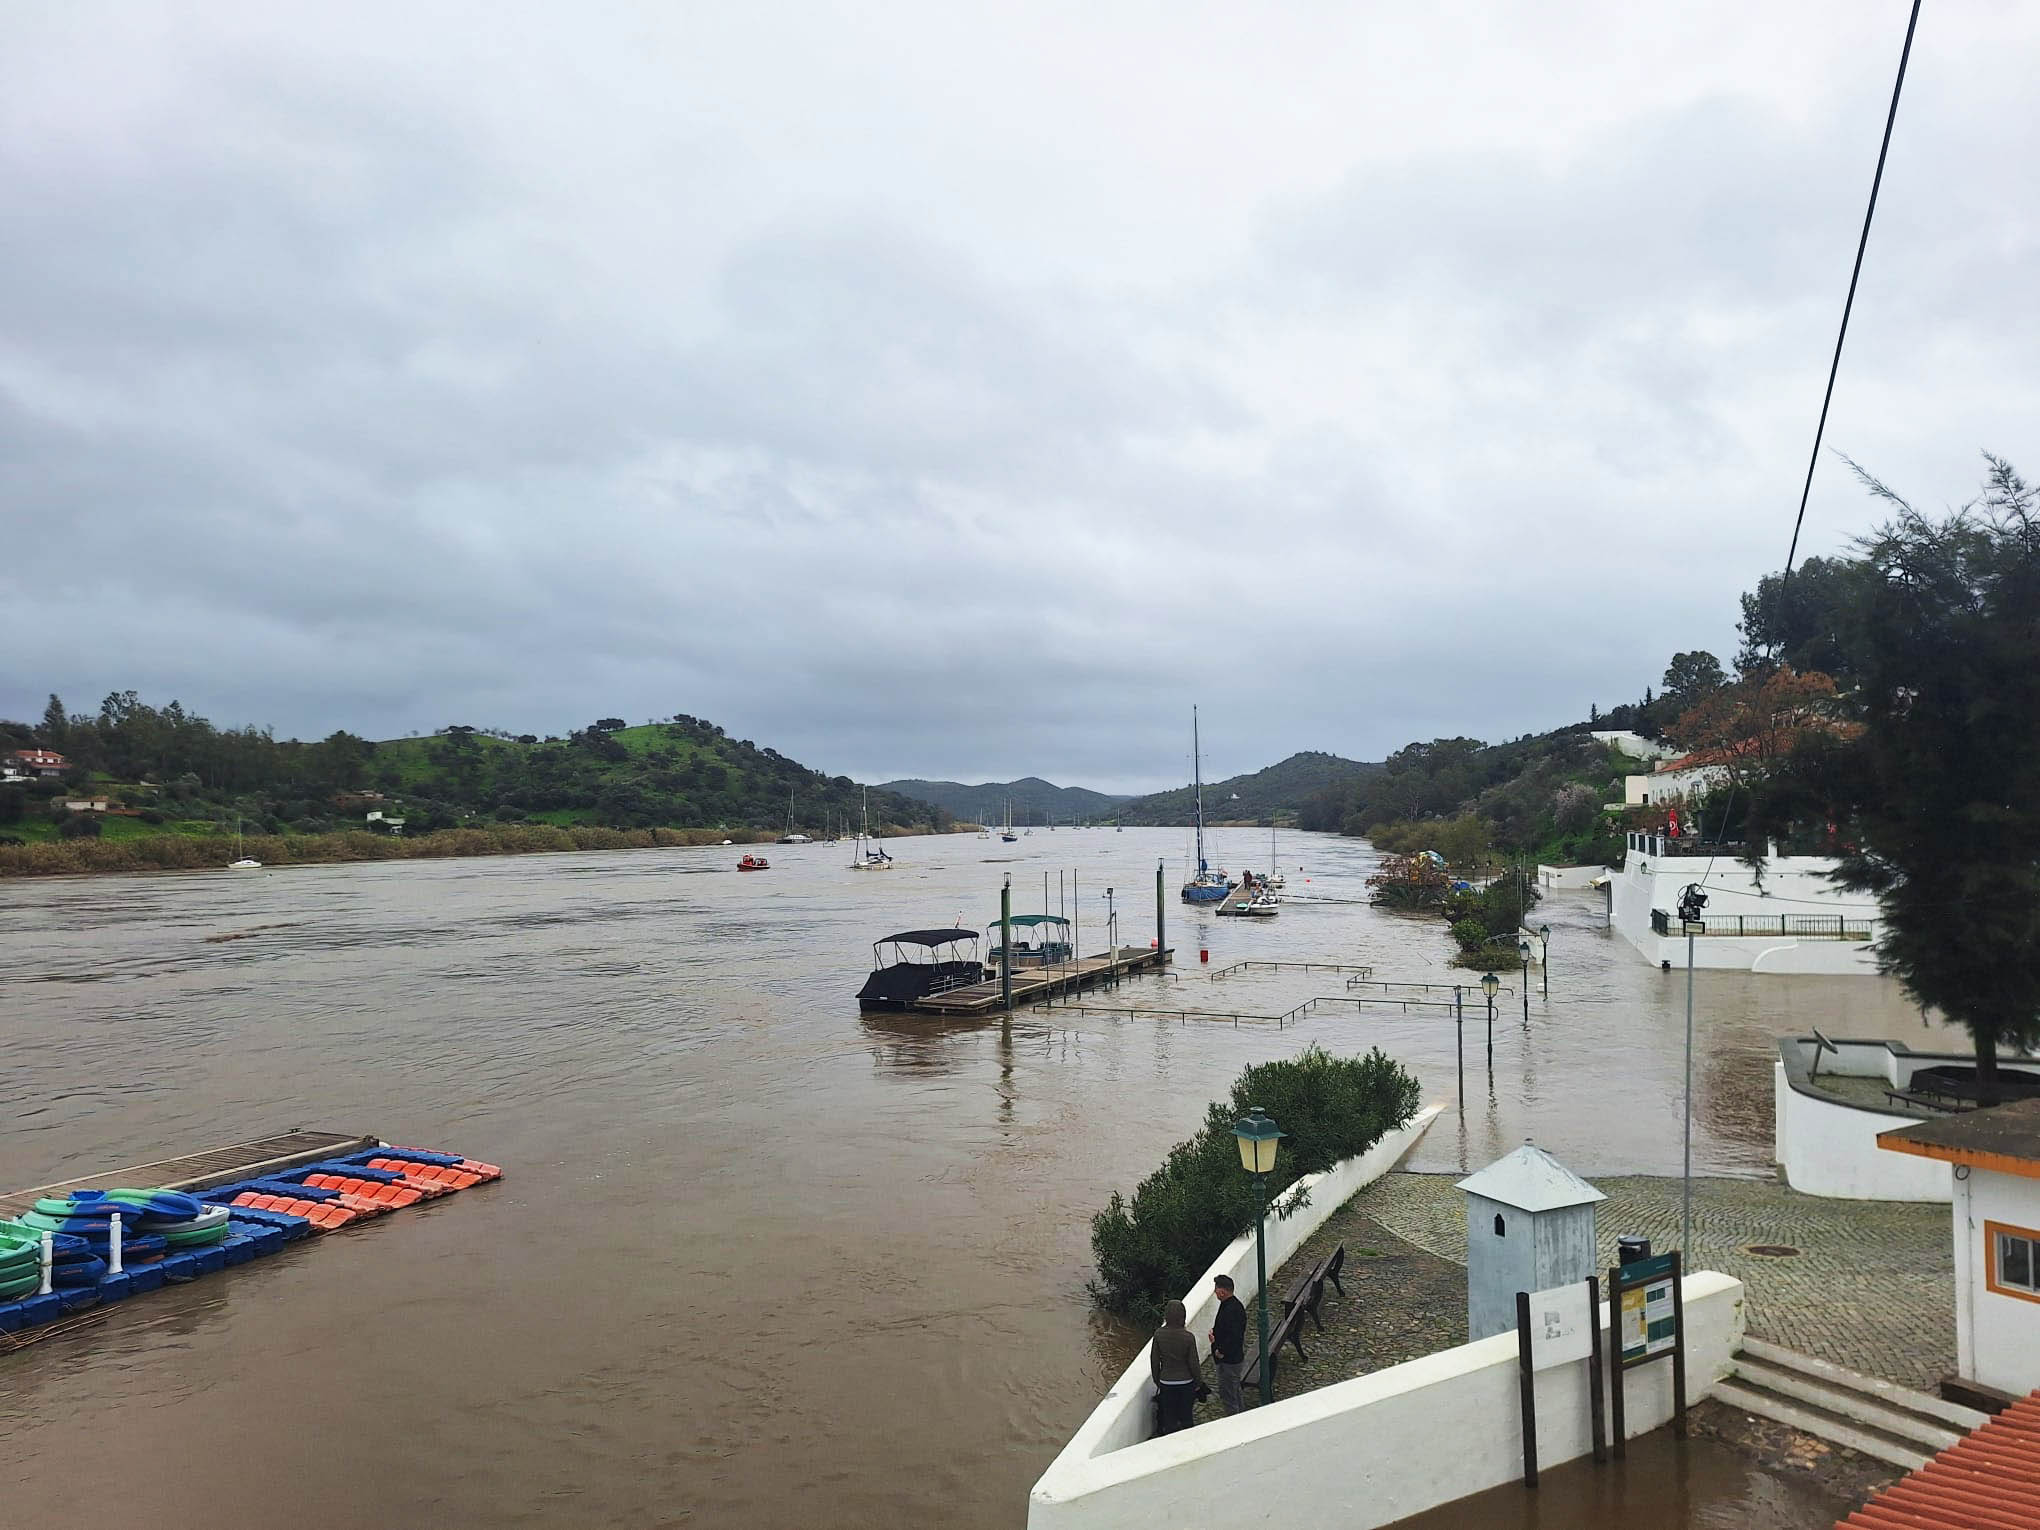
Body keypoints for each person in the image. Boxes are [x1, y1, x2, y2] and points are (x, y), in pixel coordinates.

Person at [1149, 1299, 1202, 1434]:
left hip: (1166, 1381)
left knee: (1169, 1417)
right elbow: (1194, 1363)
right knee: (1186, 1416)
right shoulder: (1188, 1337)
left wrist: (1157, 1379)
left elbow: (1154, 1360)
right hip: (1186, 1382)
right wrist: (1198, 1382)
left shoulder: (1159, 1335)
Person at [1208, 1275, 1248, 1414]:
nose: (1215, 1292)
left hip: (1229, 1361)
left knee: (1228, 1395)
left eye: (1216, 1289)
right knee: (1234, 1391)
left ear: (1223, 1291)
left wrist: (1220, 1351)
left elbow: (1234, 1337)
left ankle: (1234, 1424)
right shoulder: (1231, 1306)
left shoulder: (1232, 1309)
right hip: (1231, 1359)